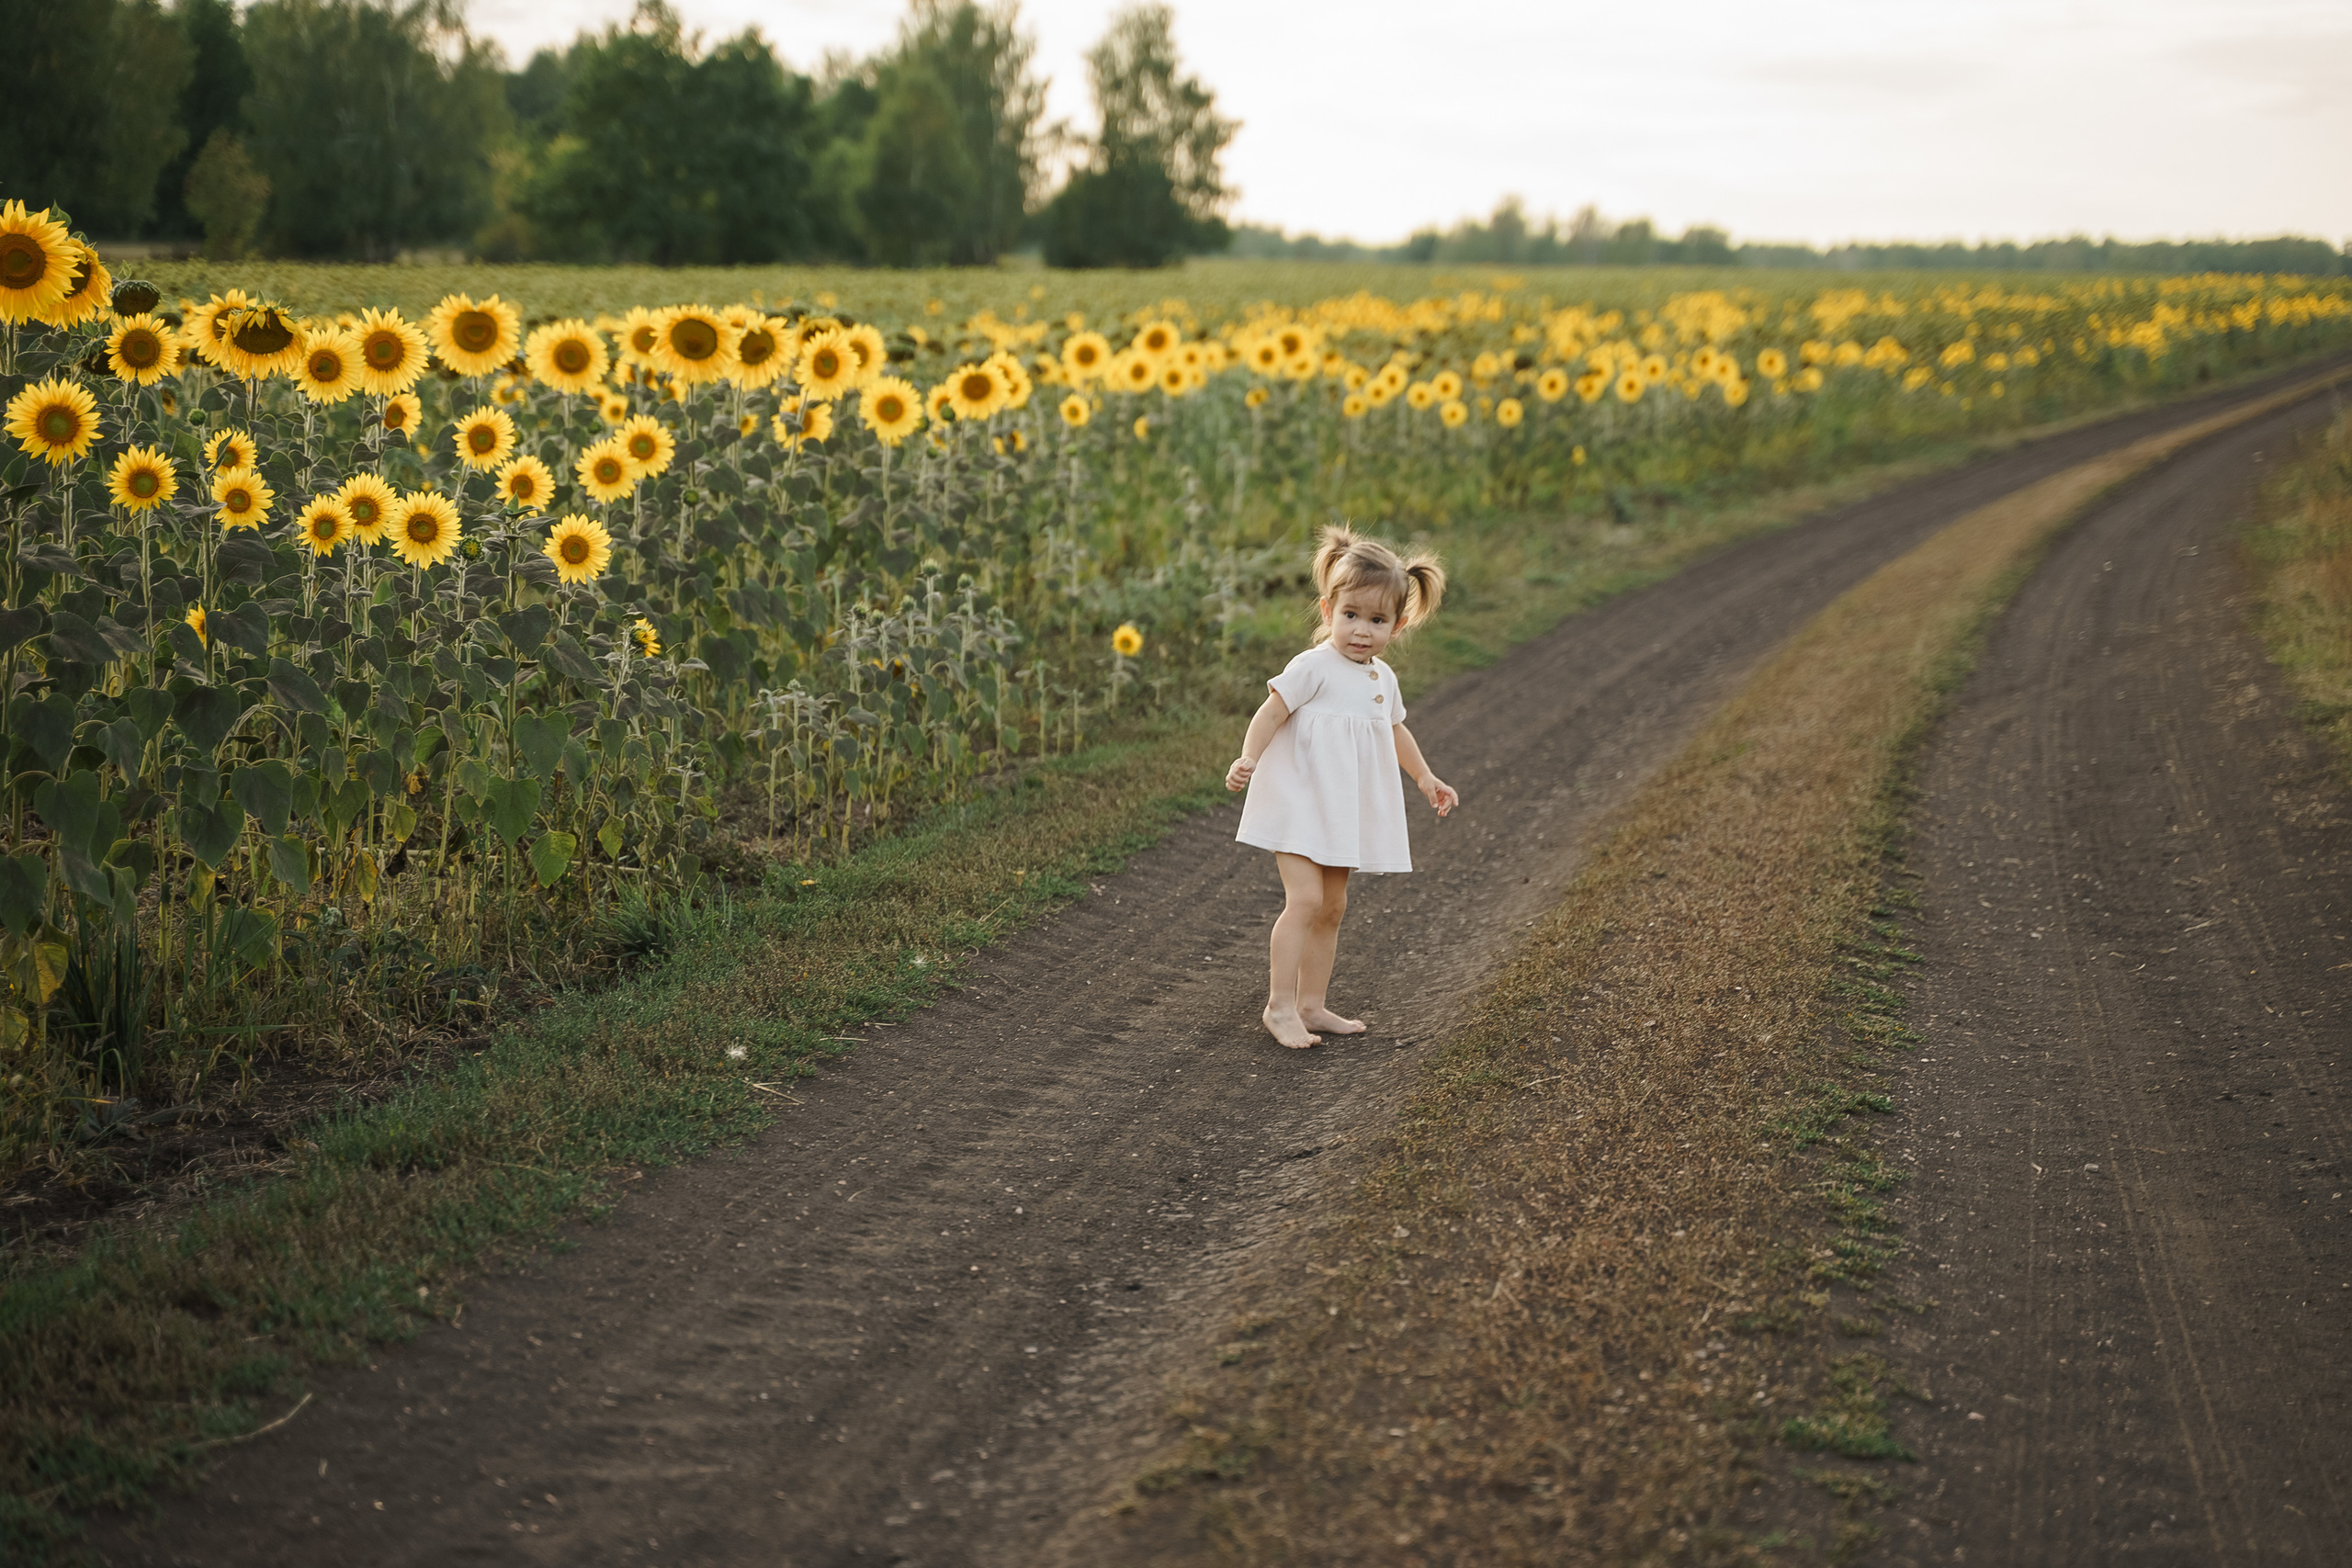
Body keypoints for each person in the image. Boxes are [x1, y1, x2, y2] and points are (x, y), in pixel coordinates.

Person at [1226, 525, 1458, 1049]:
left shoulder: (1382, 679)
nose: (1361, 631)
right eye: (1350, 615)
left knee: (1333, 907)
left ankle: (1312, 1005)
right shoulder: (1313, 667)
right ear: (1328, 610)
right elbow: (1270, 713)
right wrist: (1248, 757)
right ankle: (1279, 1007)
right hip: (1298, 803)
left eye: (1377, 621)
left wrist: (1425, 777)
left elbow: (1394, 731)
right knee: (1306, 900)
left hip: (1339, 812)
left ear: (1397, 625)